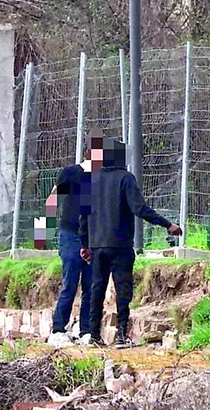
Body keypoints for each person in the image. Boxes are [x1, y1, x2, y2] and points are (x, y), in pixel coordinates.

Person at [79, 132, 183, 349]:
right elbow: (139, 208)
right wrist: (168, 225)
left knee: (97, 289)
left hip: (97, 245)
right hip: (120, 245)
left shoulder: (90, 180)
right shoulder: (125, 178)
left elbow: (83, 216)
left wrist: (84, 244)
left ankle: (94, 336)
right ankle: (121, 336)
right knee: (123, 290)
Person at [41, 148, 95, 348]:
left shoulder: (103, 179)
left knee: (91, 284)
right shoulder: (70, 173)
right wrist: (43, 232)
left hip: (94, 237)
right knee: (70, 280)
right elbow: (53, 201)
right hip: (71, 233)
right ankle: (58, 329)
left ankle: (87, 330)